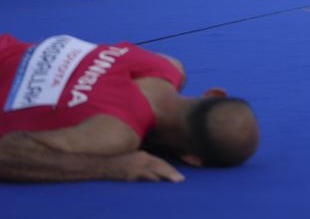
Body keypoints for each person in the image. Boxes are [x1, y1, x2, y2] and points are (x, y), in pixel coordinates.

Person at [0, 33, 260, 182]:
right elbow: (6, 155)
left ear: (213, 92)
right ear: (192, 159)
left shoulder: (167, 65)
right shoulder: (114, 133)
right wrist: (109, 166)